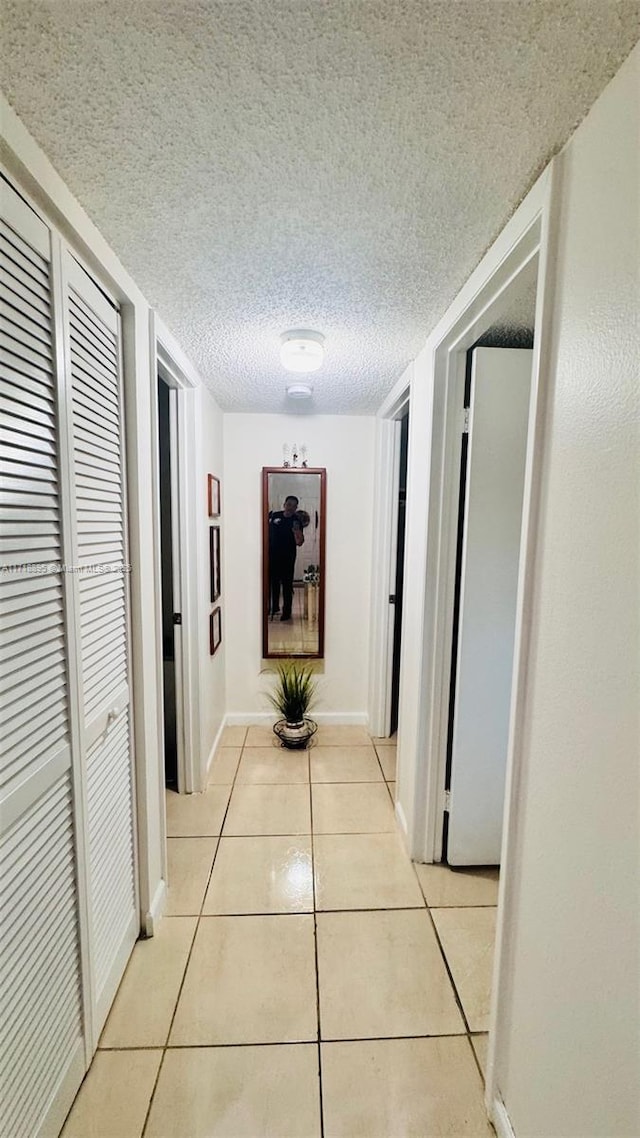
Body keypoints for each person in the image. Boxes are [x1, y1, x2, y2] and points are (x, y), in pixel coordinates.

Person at [268, 495, 304, 621]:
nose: (290, 507)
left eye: (294, 506)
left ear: (296, 508)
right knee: (273, 583)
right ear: (284, 504)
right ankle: (274, 607)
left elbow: (299, 542)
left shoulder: (296, 520)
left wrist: (296, 532)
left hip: (288, 558)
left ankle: (286, 612)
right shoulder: (273, 516)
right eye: (289, 504)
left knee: (287, 585)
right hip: (272, 556)